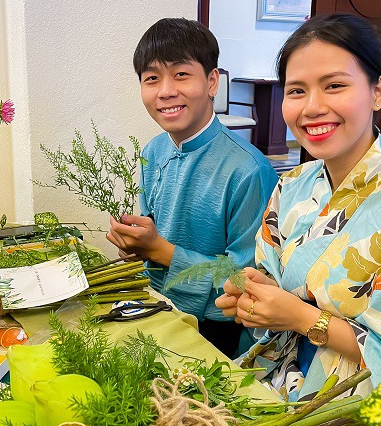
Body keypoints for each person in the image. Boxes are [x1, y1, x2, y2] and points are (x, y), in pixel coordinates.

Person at [215, 14, 381, 418]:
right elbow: (276, 288)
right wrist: (257, 296)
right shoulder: (290, 187)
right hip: (284, 377)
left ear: (377, 91)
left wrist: (300, 315)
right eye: (296, 91)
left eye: (334, 86)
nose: (312, 108)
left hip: (371, 411)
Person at [107, 18, 279, 357]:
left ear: (213, 81)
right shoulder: (153, 150)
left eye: (181, 74)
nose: (166, 90)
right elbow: (154, 234)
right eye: (152, 79)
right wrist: (134, 245)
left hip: (220, 333)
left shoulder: (249, 169)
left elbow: (245, 283)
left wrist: (158, 250)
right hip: (155, 308)